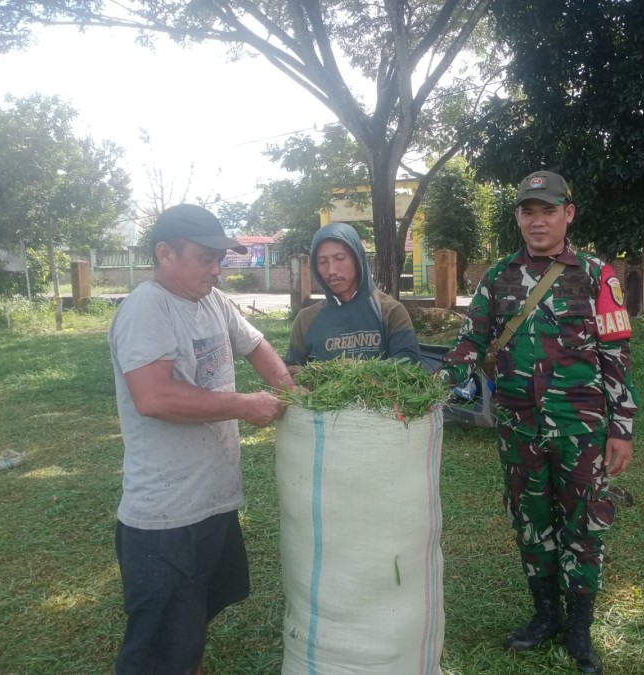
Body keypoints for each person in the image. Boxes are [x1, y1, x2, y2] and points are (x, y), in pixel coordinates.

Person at [438, 171, 638, 674]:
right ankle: (545, 613)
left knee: (584, 525)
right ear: (519, 218)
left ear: (568, 213)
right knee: (531, 521)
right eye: (529, 211)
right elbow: (470, 343)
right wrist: (433, 387)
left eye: (548, 210)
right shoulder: (498, 276)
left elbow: (615, 355)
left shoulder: (597, 275)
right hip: (518, 428)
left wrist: (621, 428)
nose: (538, 221)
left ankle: (579, 628)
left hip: (581, 428)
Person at [107, 203, 296, 675]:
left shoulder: (212, 300)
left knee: (190, 623)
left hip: (212, 502)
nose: (216, 269)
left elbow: (254, 345)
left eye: (220, 259)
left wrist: (296, 395)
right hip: (165, 519)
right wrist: (243, 404)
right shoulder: (147, 307)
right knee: (157, 645)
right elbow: (153, 397)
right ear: (165, 253)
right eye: (205, 258)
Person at [285, 222, 422, 369]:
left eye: (340, 258)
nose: (331, 270)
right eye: (322, 261)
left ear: (358, 259)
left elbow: (409, 362)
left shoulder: (390, 311)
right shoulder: (305, 320)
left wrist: (354, 368)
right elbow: (289, 372)